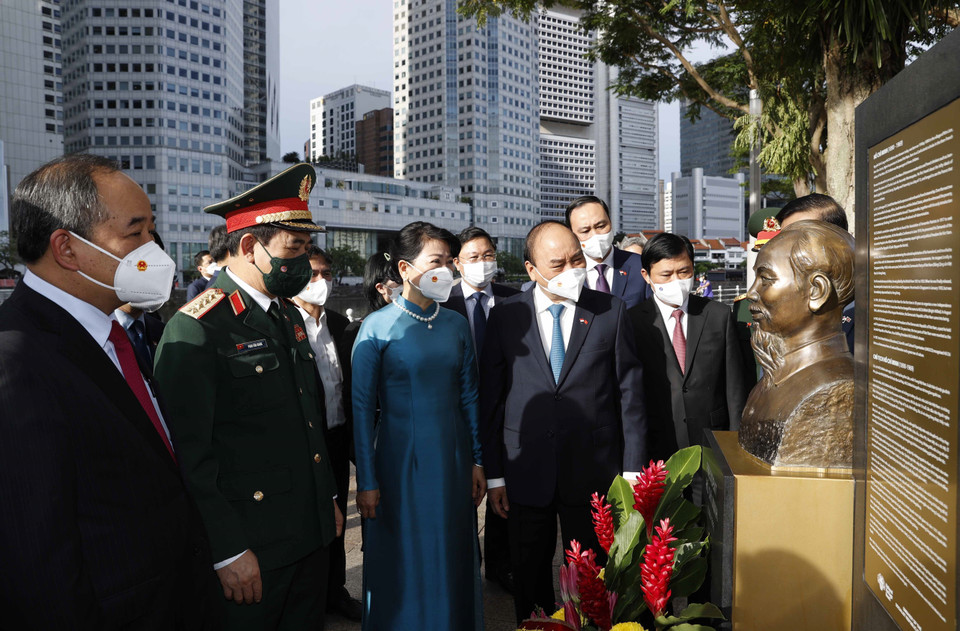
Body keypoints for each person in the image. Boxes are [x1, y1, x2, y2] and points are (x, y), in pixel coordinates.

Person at [0, 154, 218, 628]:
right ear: (68, 248)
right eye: (135, 233)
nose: (153, 249)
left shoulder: (113, 332)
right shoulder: (16, 360)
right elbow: (39, 563)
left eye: (152, 230)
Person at [154, 163, 343, 630]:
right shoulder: (197, 328)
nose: (301, 261)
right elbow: (189, 455)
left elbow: (307, 418)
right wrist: (228, 550)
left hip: (308, 533)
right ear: (248, 246)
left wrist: (328, 499)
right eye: (293, 249)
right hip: (253, 548)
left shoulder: (288, 315)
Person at [479, 221, 647, 622]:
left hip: (593, 470)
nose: (572, 268)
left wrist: (633, 472)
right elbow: (492, 400)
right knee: (529, 574)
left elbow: (631, 396)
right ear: (531, 270)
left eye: (577, 258)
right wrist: (497, 475)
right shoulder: (506, 317)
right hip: (525, 470)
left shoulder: (610, 311)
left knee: (592, 577)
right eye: (558, 264)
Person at [351, 221, 486, 630]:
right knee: (405, 554)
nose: (445, 270)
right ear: (406, 269)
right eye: (435, 262)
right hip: (399, 462)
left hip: (453, 456)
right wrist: (367, 481)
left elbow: (469, 396)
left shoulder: (456, 324)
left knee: (452, 549)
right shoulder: (376, 328)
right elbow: (360, 409)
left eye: (449, 262)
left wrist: (478, 460)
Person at [739, 221, 855, 468]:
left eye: (766, 279)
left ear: (816, 291)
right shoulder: (772, 378)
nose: (751, 292)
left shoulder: (839, 393)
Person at [629, 233, 747, 465]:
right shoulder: (632, 322)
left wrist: (735, 445)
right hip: (658, 448)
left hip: (712, 444)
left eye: (684, 272)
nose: (676, 280)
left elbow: (734, 387)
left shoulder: (717, 315)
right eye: (666, 274)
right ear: (646, 275)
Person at [292, 245, 363, 622]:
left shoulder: (339, 325)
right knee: (311, 523)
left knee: (338, 523)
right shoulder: (284, 325)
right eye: (312, 274)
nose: (321, 281)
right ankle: (310, 598)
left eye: (326, 274)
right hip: (305, 444)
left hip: (338, 437)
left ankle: (335, 590)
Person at [446, 226, 518, 594]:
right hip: (458, 411)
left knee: (502, 488)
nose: (483, 263)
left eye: (488, 255)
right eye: (473, 257)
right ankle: (465, 564)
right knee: (461, 492)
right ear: (457, 263)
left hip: (506, 408)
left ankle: (501, 565)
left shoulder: (514, 299)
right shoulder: (443, 302)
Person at [776, 193, 855, 352]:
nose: (787, 248)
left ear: (835, 238)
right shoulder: (781, 305)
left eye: (800, 237)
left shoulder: (872, 305)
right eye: (783, 239)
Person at [565, 195, 649, 308]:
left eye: (601, 226)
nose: (595, 235)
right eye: (585, 231)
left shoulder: (639, 264)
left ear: (610, 222)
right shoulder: (566, 274)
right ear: (572, 234)